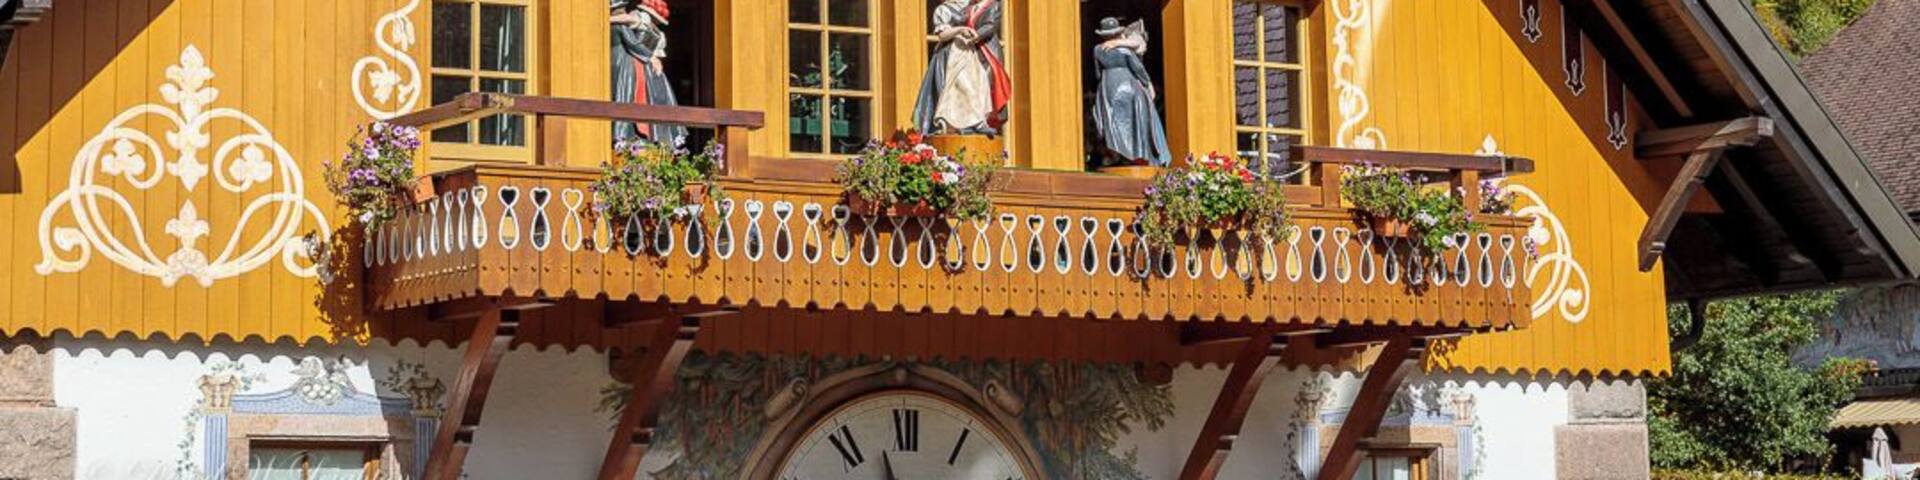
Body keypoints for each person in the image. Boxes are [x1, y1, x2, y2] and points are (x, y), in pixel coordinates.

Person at [911, 0, 1011, 136]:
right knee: (957, 88)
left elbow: (988, 24)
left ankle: (978, 121)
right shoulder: (944, 10)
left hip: (968, 53)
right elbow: (942, 35)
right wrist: (960, 30)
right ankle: (953, 123)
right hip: (951, 54)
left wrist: (973, 35)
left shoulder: (968, 6)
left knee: (979, 85)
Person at [1089, 17, 1171, 167]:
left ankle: (1121, 153)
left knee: (1113, 120)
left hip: (1108, 86)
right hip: (1129, 85)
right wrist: (1148, 83)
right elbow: (1138, 69)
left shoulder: (1097, 50)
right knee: (1136, 120)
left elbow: (1097, 73)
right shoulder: (1125, 51)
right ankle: (1137, 153)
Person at [610, 0, 686, 147]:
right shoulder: (656, 32)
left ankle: (647, 136)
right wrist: (652, 58)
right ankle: (647, 136)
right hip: (647, 68)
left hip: (642, 65)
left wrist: (606, 20)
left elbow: (631, 35)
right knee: (646, 98)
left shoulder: (641, 21)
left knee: (642, 97)